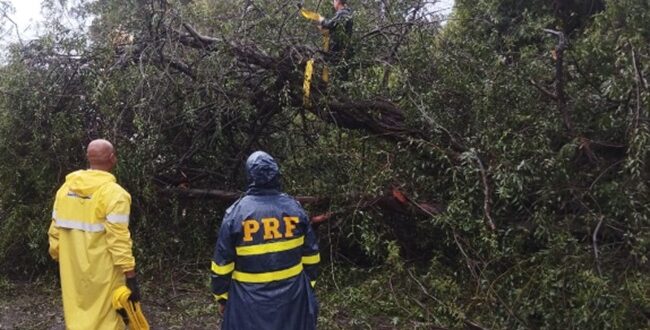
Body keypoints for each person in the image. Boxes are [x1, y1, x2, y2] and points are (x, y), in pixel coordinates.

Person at [211, 151, 320, 330]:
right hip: (292, 299)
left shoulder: (235, 214)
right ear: (276, 174)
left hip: (247, 303)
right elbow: (311, 256)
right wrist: (307, 286)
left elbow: (222, 265)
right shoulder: (295, 209)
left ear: (249, 176)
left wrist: (222, 298)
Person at [48, 139, 140, 330]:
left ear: (88, 158)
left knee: (77, 317)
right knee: (107, 319)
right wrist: (130, 275)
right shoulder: (115, 195)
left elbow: (55, 232)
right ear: (112, 158)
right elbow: (119, 240)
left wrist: (60, 257)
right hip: (104, 273)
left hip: (72, 270)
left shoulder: (65, 190)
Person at [319, 0, 353, 80]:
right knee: (342, 73)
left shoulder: (342, 13)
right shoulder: (348, 13)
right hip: (344, 49)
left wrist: (322, 20)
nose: (333, 3)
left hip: (337, 49)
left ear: (337, 1)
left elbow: (330, 24)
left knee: (336, 73)